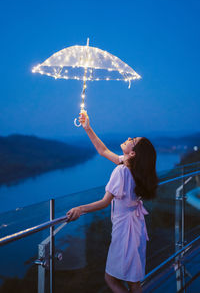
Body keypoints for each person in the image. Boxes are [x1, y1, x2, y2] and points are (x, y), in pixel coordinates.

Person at [66, 111, 158, 293]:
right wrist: (88, 128)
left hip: (125, 230)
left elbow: (104, 202)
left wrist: (80, 208)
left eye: (133, 140)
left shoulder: (122, 172)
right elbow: (102, 151)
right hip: (136, 226)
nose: (129, 137)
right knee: (134, 282)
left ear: (132, 153)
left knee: (111, 279)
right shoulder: (131, 167)